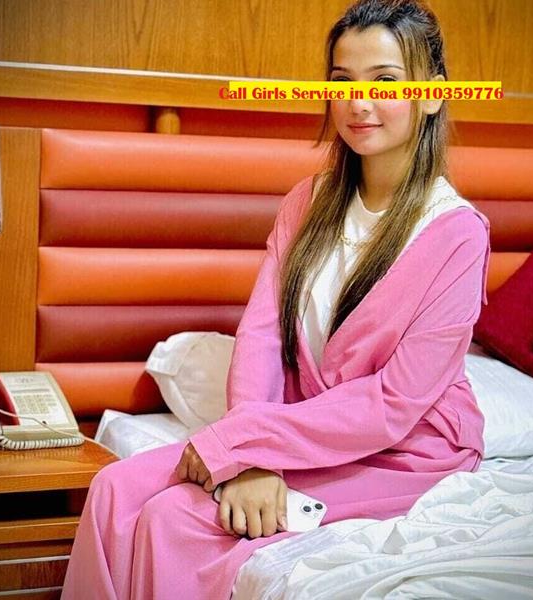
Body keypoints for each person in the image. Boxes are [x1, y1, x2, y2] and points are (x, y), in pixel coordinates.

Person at [61, 0, 491, 598]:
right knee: (113, 488)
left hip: (404, 451)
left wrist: (246, 445)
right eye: (342, 82)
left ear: (434, 94)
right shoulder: (306, 203)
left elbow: (394, 403)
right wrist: (250, 454)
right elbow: (261, 337)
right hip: (294, 430)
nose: (359, 103)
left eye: (386, 82)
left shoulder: (457, 234)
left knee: (175, 520)